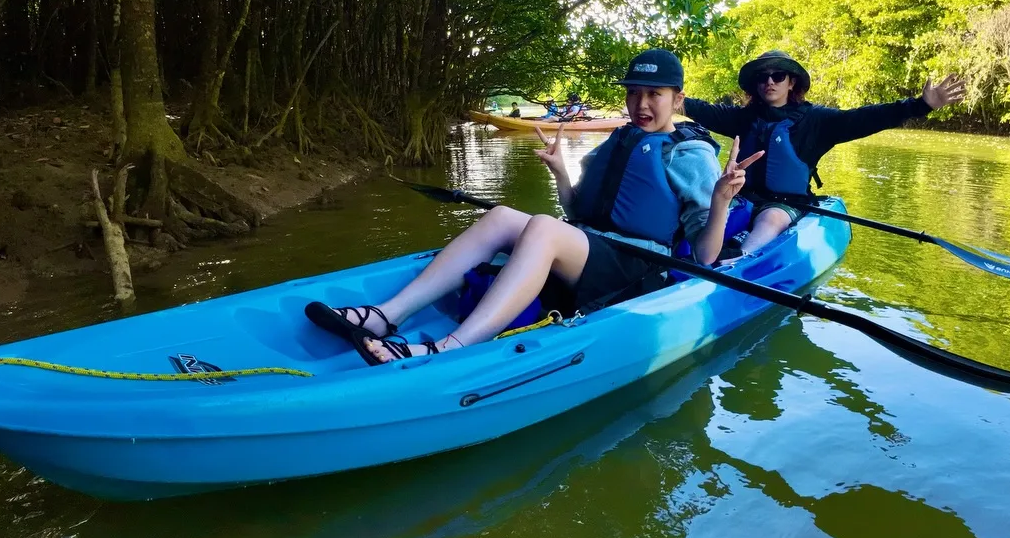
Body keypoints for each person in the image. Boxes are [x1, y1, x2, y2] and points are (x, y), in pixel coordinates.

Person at [306, 49, 757, 365]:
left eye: (654, 94)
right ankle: (387, 315)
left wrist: (720, 201)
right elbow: (578, 211)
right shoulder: (618, 140)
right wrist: (561, 173)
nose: (642, 103)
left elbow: (705, 256)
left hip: (637, 265)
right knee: (503, 216)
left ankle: (452, 348)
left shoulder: (690, 153)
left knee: (541, 226)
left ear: (677, 99)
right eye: (634, 92)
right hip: (593, 249)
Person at [683, 49, 964, 255]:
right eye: (763, 77)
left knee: (771, 218)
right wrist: (670, 97)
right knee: (705, 211)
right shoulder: (742, 118)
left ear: (791, 82)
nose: (770, 82)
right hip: (740, 198)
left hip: (786, 204)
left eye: (778, 76)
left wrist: (920, 106)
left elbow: (866, 118)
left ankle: (739, 260)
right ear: (756, 85)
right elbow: (700, 109)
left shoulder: (817, 120)